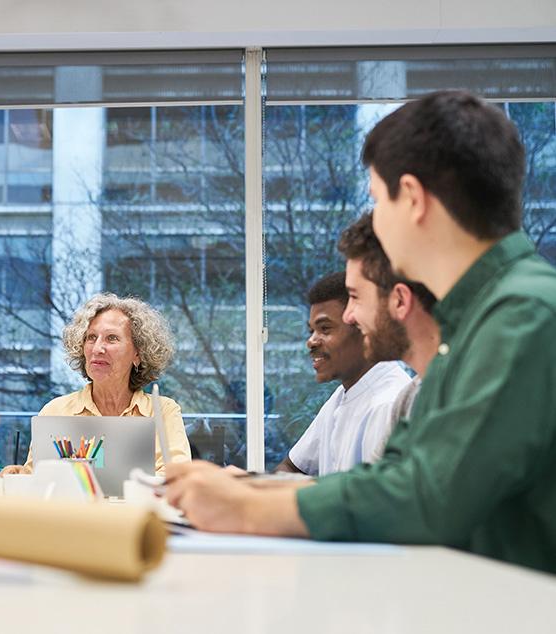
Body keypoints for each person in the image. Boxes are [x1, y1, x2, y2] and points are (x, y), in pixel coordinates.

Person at [165, 90, 556, 575]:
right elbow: (396, 476)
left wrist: (245, 507)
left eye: (377, 200)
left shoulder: (524, 313)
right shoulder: (478, 321)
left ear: (412, 198)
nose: (376, 222)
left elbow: (427, 496)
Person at [1, 293, 191, 476]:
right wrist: (20, 474)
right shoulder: (56, 410)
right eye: (91, 338)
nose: (97, 349)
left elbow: (176, 477)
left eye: (112, 338)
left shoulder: (163, 411)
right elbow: (38, 479)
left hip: (137, 509)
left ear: (138, 354)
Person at [275, 272, 410, 475]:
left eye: (325, 329)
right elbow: (291, 467)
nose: (311, 341)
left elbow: (369, 501)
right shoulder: (343, 394)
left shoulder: (388, 403)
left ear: (362, 327)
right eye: (311, 330)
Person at [338, 212, 440, 459]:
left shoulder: (460, 402)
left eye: (354, 297)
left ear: (400, 301)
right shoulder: (411, 398)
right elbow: (371, 492)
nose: (347, 316)